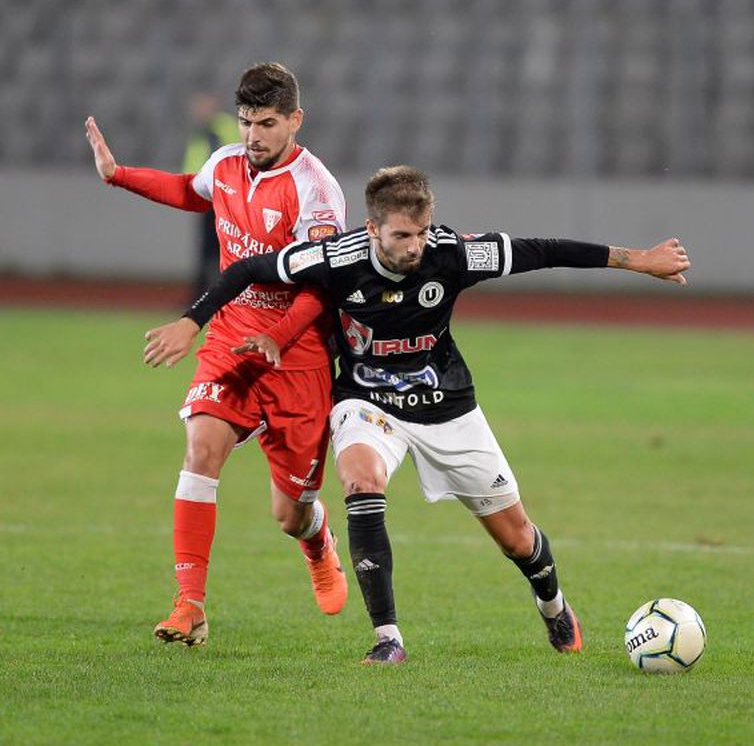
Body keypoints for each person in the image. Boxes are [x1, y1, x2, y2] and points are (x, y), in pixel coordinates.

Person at [143, 165, 691, 663]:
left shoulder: (451, 254)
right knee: (360, 480)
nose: (415, 247)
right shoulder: (338, 257)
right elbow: (248, 270)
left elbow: (542, 250)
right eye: (402, 235)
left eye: (422, 233)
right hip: (368, 402)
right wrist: (193, 321)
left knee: (517, 538)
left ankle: (554, 607)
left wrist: (636, 260)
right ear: (373, 228)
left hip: (447, 405)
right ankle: (388, 638)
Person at [85, 62, 349, 646]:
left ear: (295, 121)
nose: (253, 135)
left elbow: (320, 288)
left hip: (296, 352)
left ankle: (316, 538)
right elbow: (191, 191)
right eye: (247, 121)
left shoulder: (317, 191)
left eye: (268, 123)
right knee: (201, 451)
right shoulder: (226, 162)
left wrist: (278, 337)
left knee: (291, 511)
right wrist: (118, 175)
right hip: (231, 337)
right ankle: (190, 605)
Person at [182, 92, 242, 297]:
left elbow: (233, 159)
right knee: (208, 250)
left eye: (203, 105)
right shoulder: (202, 133)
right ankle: (203, 296)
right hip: (206, 199)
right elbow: (193, 166)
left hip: (223, 199)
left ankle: (220, 296)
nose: (199, 111)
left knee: (223, 249)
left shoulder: (221, 128)